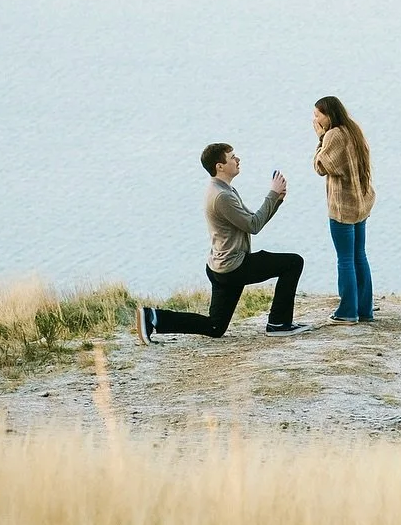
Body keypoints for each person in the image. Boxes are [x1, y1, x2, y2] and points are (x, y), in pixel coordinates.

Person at [135, 141, 307, 341]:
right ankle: (278, 323)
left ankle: (153, 317)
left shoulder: (222, 189)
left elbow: (251, 221)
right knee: (293, 262)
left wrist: (276, 200)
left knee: (215, 326)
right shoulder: (222, 196)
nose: (238, 159)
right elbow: (253, 226)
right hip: (234, 267)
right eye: (232, 157)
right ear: (220, 166)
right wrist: (272, 194)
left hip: (221, 267)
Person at [312, 95, 375, 323]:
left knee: (345, 259)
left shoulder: (334, 135)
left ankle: (347, 311)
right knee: (360, 256)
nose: (315, 119)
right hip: (360, 202)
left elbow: (321, 166)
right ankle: (364, 310)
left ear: (328, 115)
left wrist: (320, 138)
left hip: (342, 207)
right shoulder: (353, 130)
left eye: (317, 115)